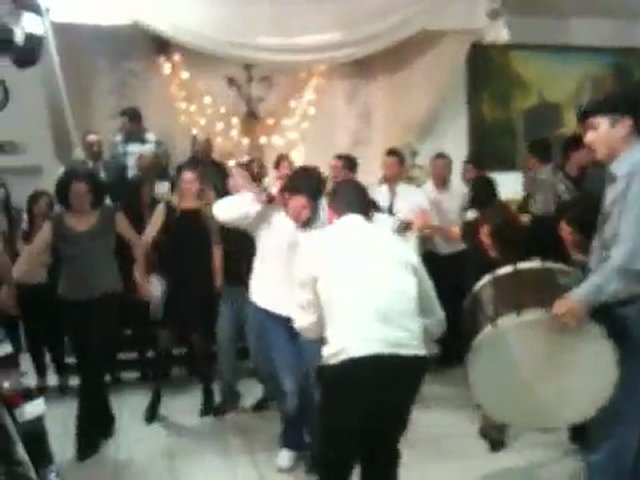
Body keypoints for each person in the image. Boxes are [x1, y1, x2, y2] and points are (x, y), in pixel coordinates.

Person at [293, 179, 444, 480]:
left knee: (333, 460)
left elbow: (307, 326)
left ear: (330, 212)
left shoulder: (313, 244)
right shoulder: (398, 243)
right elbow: (435, 319)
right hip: (406, 361)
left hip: (348, 361)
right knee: (382, 451)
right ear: (370, 211)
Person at [12, 167, 141, 462]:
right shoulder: (57, 222)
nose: (79, 199)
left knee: (94, 364)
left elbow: (136, 242)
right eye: (73, 194)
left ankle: (85, 437)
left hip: (106, 298)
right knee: (88, 367)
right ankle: (104, 419)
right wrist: (11, 279)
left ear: (94, 192)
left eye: (84, 194)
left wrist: (140, 274)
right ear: (65, 195)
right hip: (72, 301)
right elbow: (32, 252)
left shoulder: (110, 215)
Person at [212, 165, 326, 473]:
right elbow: (220, 211)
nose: (305, 214)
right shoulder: (267, 216)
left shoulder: (321, 221)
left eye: (311, 206)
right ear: (287, 196)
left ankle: (315, 444)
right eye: (301, 206)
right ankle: (292, 440)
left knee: (311, 381)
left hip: (310, 313)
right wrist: (261, 197)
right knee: (288, 383)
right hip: (272, 311)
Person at [552, 88, 640, 480]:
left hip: (632, 312)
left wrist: (583, 296)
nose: (587, 139)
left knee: (621, 419)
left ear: (625, 125)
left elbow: (631, 259)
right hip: (620, 306)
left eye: (593, 128)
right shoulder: (620, 174)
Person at [139, 166, 224, 424]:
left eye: (193, 181)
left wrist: (217, 281)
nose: (188, 185)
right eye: (184, 181)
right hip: (175, 283)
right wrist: (141, 274)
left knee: (200, 343)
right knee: (164, 344)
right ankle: (155, 398)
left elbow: (216, 247)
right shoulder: (166, 209)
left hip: (200, 284)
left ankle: (207, 392)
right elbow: (145, 240)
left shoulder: (208, 211)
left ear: (200, 184)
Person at [14, 190, 67, 394]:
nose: (41, 207)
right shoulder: (22, 229)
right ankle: (41, 376)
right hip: (26, 288)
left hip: (47, 287)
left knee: (54, 334)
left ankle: (61, 374)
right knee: (32, 336)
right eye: (39, 203)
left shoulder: (53, 228)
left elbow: (55, 258)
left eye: (45, 203)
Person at [419, 152, 468, 367]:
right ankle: (441, 349)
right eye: (437, 168)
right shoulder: (422, 193)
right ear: (431, 169)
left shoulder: (461, 192)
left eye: (445, 168)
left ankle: (457, 350)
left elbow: (460, 229)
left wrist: (438, 228)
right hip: (433, 254)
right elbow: (421, 226)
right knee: (437, 302)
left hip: (457, 253)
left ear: (450, 169)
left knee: (456, 303)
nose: (440, 172)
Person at [369, 147, 427, 252]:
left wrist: (404, 231)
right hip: (379, 249)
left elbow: (423, 220)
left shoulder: (415, 192)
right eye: (385, 165)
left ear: (402, 168)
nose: (388, 169)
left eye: (392, 165)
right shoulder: (374, 192)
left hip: (405, 249)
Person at [68, 131, 128, 204]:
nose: (95, 149)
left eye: (98, 145)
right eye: (91, 146)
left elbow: (125, 192)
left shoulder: (117, 167)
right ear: (84, 148)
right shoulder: (77, 171)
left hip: (116, 207)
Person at [111, 106, 168, 179]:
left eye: (124, 124)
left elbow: (163, 167)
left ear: (135, 124)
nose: (121, 127)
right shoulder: (117, 144)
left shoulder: (155, 143)